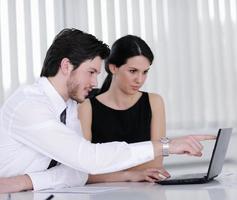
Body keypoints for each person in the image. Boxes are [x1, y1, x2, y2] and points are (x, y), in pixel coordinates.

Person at [0, 28, 215, 193]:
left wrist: (25, 181)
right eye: (91, 72)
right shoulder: (30, 106)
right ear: (66, 66)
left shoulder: (70, 107)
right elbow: (89, 159)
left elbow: (78, 170)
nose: (95, 82)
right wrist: (166, 146)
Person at [78, 35, 168, 183]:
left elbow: (155, 165)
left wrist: (109, 170)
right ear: (113, 67)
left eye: (145, 72)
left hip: (145, 193)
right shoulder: (87, 108)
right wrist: (130, 174)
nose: (139, 79)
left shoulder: (154, 102)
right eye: (133, 71)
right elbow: (83, 171)